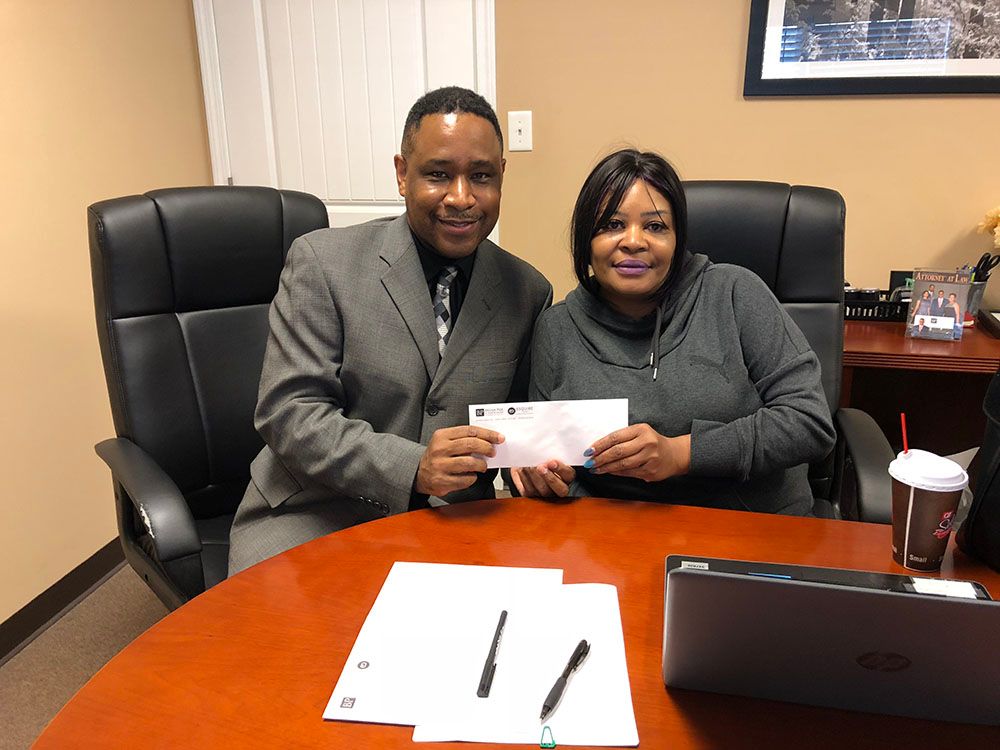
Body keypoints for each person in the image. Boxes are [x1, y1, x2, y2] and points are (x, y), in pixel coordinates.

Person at [228, 87, 552, 574]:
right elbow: (289, 414)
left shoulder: (527, 291)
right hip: (315, 512)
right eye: (438, 174)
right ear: (403, 174)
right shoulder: (322, 262)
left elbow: (516, 427)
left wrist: (535, 462)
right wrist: (412, 468)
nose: (461, 198)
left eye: (481, 176)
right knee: (293, 646)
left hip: (455, 522)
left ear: (502, 176)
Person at [511, 149, 835, 515]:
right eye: (612, 225)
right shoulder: (557, 328)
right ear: (586, 241)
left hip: (749, 527)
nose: (634, 241)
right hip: (615, 539)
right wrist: (546, 480)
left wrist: (681, 454)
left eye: (655, 226)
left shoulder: (735, 293)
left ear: (678, 239)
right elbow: (546, 458)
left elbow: (809, 423)